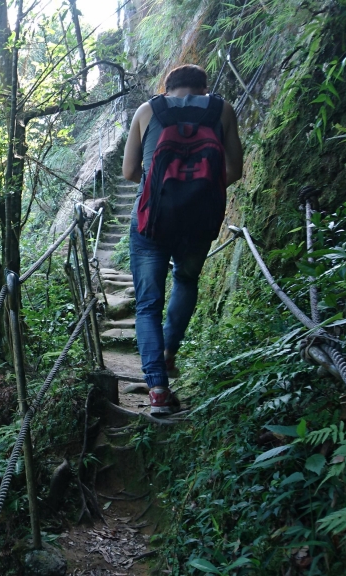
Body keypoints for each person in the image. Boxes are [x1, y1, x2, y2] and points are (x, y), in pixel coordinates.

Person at [120, 64, 244, 414]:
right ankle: (169, 353)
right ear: (203, 88)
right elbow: (234, 170)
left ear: (167, 87)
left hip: (150, 223)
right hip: (199, 221)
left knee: (147, 304)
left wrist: (161, 193)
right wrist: (197, 196)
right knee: (186, 280)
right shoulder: (222, 110)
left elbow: (130, 171)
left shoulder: (148, 110)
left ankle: (157, 390)